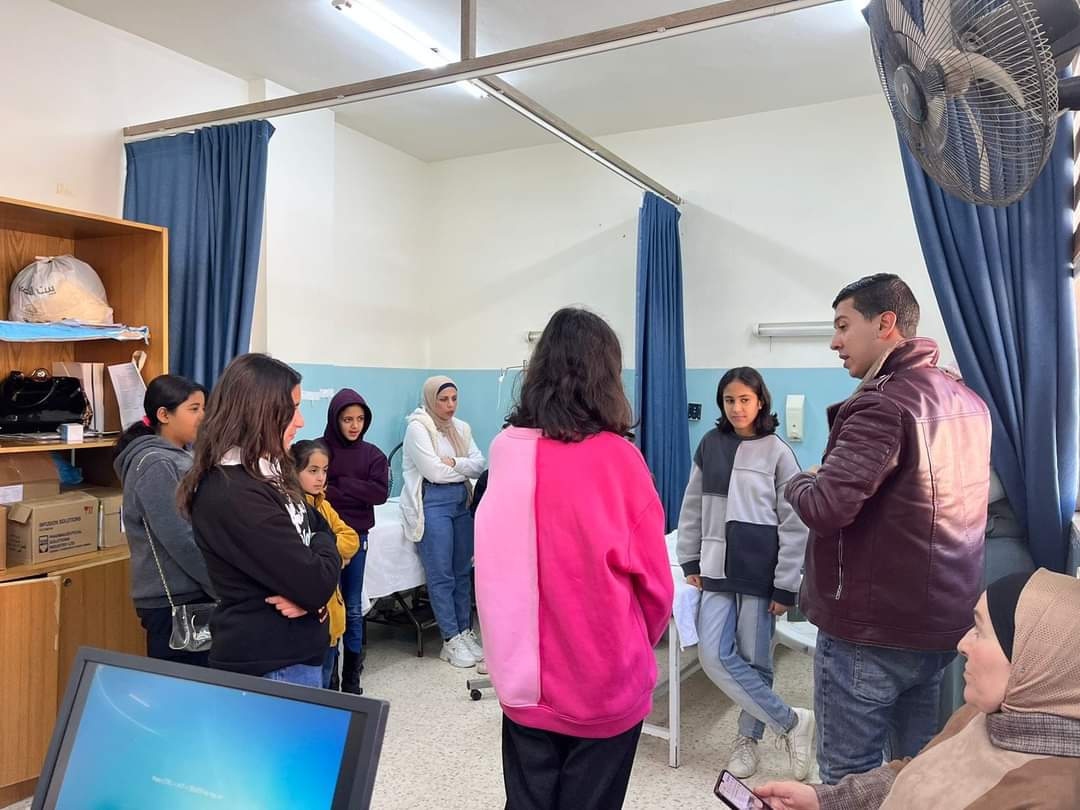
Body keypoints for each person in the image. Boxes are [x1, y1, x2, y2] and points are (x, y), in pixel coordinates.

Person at [785, 274, 991, 783]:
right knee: (914, 770)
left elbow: (826, 507)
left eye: (843, 326)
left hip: (870, 630)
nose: (834, 342)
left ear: (885, 324)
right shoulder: (967, 400)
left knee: (847, 778)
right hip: (938, 624)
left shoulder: (882, 403)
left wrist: (799, 480)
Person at [475, 307, 674, 810]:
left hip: (522, 678)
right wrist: (632, 643)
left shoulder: (504, 450)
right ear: (606, 376)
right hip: (602, 678)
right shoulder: (617, 458)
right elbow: (655, 588)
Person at [756, 568, 1080, 809]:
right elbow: (916, 773)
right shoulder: (983, 715)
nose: (962, 644)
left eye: (980, 632)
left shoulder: (1052, 797)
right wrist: (824, 800)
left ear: (1034, 661)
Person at [677, 367, 814, 781]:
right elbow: (693, 505)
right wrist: (690, 559)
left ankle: (747, 740)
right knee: (713, 655)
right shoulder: (710, 444)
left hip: (760, 573)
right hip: (716, 568)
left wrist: (786, 585)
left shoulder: (778, 452)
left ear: (760, 402)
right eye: (729, 400)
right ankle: (791, 722)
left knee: (756, 661)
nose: (736, 408)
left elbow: (794, 523)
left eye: (744, 400)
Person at [179, 354, 342, 686]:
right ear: (261, 413)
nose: (300, 422)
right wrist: (313, 584)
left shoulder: (269, 471)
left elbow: (320, 526)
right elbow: (315, 583)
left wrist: (312, 577)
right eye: (292, 410)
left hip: (296, 651)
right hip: (270, 662)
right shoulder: (234, 493)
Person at [114, 374, 210, 666]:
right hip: (175, 601)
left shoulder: (184, 456)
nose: (203, 416)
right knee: (183, 688)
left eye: (204, 408)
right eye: (194, 409)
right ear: (164, 415)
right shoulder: (155, 463)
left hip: (195, 593)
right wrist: (223, 587)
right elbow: (180, 538)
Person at [401, 375, 486, 668]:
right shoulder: (418, 427)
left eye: (454, 399)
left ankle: (464, 631)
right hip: (433, 502)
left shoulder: (460, 428)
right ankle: (450, 639)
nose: (450, 405)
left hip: (462, 500)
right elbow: (434, 473)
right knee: (441, 574)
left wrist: (455, 463)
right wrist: (461, 467)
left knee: (462, 571)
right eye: (443, 399)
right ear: (430, 400)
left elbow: (479, 464)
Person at [323, 390, 389, 693]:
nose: (354, 425)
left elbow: (379, 494)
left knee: (351, 607)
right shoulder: (320, 450)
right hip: (324, 538)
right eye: (347, 419)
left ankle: (351, 677)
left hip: (358, 537)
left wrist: (342, 484)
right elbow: (317, 491)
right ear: (335, 419)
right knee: (327, 606)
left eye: (360, 419)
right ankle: (329, 678)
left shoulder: (372, 454)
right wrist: (357, 490)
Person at [293, 439, 362, 690]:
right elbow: (304, 555)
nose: (320, 477)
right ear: (294, 471)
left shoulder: (324, 505)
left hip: (334, 618)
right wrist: (336, 556)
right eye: (313, 470)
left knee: (329, 683)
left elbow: (351, 539)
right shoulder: (293, 509)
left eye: (324, 470)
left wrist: (328, 550)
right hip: (309, 621)